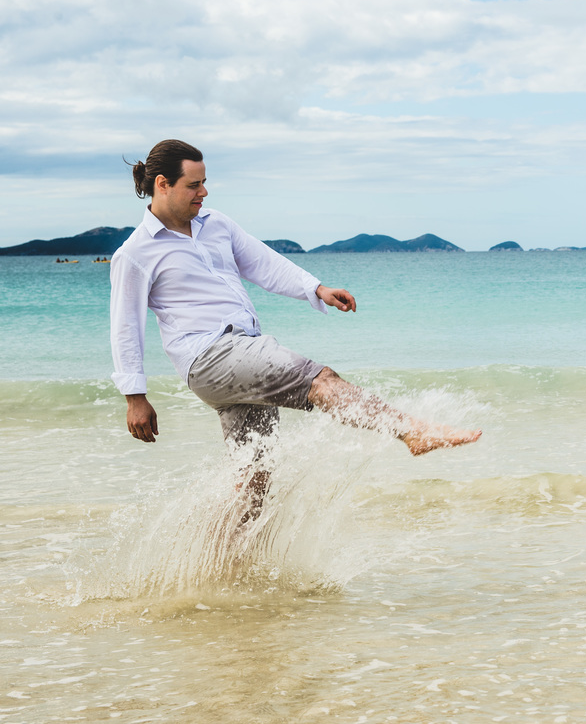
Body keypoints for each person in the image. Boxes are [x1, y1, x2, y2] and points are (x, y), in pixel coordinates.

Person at [110, 140, 481, 516]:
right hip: (208, 356)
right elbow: (125, 325)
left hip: (241, 356)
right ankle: (411, 431)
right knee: (319, 379)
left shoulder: (215, 224)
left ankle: (219, 551)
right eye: (193, 185)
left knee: (253, 483)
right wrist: (134, 396)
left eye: (204, 183)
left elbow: (263, 262)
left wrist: (316, 289)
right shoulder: (136, 253)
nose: (203, 192)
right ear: (163, 184)